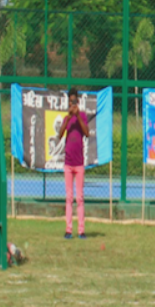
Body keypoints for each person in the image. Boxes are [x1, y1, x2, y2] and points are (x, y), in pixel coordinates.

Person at [57, 87, 89, 239]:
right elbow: (60, 134)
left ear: (78, 101)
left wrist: (78, 116)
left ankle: (81, 230)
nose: (72, 104)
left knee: (79, 198)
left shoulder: (82, 116)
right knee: (69, 197)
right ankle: (68, 229)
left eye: (74, 101)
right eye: (70, 102)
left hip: (79, 163)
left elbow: (87, 133)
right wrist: (69, 117)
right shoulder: (67, 118)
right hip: (68, 164)